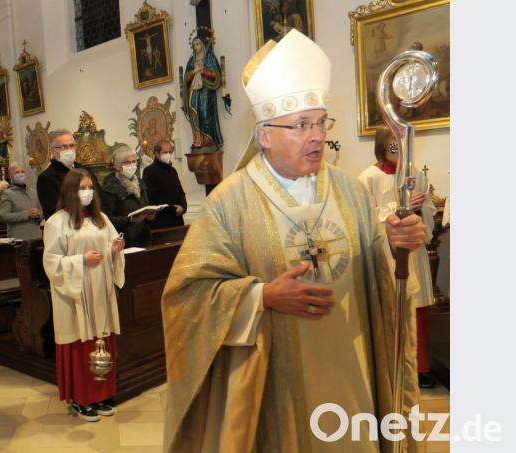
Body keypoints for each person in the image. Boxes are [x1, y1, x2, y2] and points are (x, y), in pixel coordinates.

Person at [161, 30, 426, 452]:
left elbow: (374, 274)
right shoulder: (229, 203)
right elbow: (185, 297)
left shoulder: (350, 190)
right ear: (265, 134)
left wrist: (394, 246)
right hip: (274, 387)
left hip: (350, 368)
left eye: (321, 122)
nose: (317, 135)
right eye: (301, 125)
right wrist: (262, 296)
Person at [42, 169, 125, 422]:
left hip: (100, 289)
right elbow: (51, 262)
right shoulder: (57, 222)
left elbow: (110, 245)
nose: (87, 192)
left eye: (90, 187)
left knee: (102, 340)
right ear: (70, 191)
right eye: (82, 188)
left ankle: (102, 394)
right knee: (82, 343)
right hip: (75, 293)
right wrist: (80, 260)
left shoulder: (101, 218)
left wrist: (114, 250)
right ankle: (82, 398)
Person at [358, 125, 437, 389]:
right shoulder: (367, 177)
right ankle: (394, 366)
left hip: (415, 253)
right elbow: (365, 216)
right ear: (382, 143)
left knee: (419, 310)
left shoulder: (414, 175)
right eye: (393, 140)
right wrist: (399, 208)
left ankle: (422, 366)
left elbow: (427, 211)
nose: (397, 145)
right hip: (389, 256)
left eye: (401, 141)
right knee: (394, 310)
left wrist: (420, 208)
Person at [36, 129, 101, 219]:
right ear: (52, 151)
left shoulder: (86, 170)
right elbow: (54, 213)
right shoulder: (46, 178)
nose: (69, 150)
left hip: (92, 222)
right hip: (67, 226)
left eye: (72, 146)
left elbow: (99, 199)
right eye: (63, 147)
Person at [100, 145, 152, 248]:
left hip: (143, 237)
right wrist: (130, 220)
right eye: (127, 163)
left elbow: (145, 205)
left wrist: (149, 215)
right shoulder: (110, 187)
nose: (132, 165)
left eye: (134, 161)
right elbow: (108, 219)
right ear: (117, 166)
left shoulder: (140, 183)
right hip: (123, 239)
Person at [183, 34, 223, 151]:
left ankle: (209, 140)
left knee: (205, 113)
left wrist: (203, 71)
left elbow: (216, 74)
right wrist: (194, 71)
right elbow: (186, 78)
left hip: (206, 88)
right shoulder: (192, 60)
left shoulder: (209, 57)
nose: (196, 47)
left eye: (198, 44)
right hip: (194, 89)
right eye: (194, 45)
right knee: (193, 112)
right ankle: (198, 140)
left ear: (203, 44)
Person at [142, 140, 187, 229]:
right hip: (161, 221)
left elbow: (180, 192)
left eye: (170, 152)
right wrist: (173, 209)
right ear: (157, 153)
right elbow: (152, 197)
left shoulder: (173, 171)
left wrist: (183, 207)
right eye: (165, 152)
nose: (168, 155)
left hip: (177, 219)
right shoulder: (149, 171)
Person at [0, 162, 43, 240]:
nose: (21, 174)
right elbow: (4, 216)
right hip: (19, 238)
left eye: (23, 171)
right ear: (11, 175)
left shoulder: (34, 192)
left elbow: (42, 212)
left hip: (36, 236)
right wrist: (26, 214)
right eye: (17, 172)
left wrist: (39, 215)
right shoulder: (7, 193)